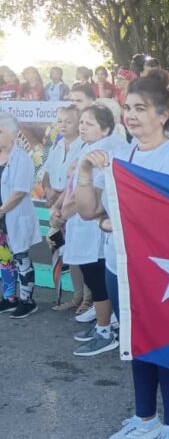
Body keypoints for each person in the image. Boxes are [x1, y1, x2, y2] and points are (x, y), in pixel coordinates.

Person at [75, 74, 169, 439]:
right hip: (119, 266)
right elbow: (86, 211)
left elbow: (168, 220)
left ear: (164, 114)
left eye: (140, 108)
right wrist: (83, 172)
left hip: (160, 269)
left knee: (165, 345)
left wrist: (113, 224)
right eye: (127, 108)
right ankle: (145, 419)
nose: (131, 115)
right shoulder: (119, 155)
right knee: (135, 342)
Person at [52, 105, 122, 356]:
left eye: (89, 124)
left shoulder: (102, 152)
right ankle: (107, 324)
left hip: (92, 226)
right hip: (82, 223)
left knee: (97, 278)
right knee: (95, 276)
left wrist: (62, 213)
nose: (82, 127)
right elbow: (71, 185)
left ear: (106, 129)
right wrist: (60, 206)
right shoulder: (87, 147)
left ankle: (105, 331)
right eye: (81, 122)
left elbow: (93, 192)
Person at [0, 113, 44, 318]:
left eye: (0, 131)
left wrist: (0, 211)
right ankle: (9, 298)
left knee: (21, 257)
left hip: (13, 215)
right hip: (2, 218)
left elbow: (19, 192)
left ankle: (27, 301)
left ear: (13, 135)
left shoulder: (22, 158)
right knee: (4, 259)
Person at [41, 106, 84, 206]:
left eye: (68, 122)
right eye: (60, 121)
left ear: (78, 124)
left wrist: (62, 196)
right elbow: (46, 175)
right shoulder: (55, 146)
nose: (63, 125)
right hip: (53, 204)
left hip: (73, 204)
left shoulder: (84, 147)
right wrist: (48, 190)